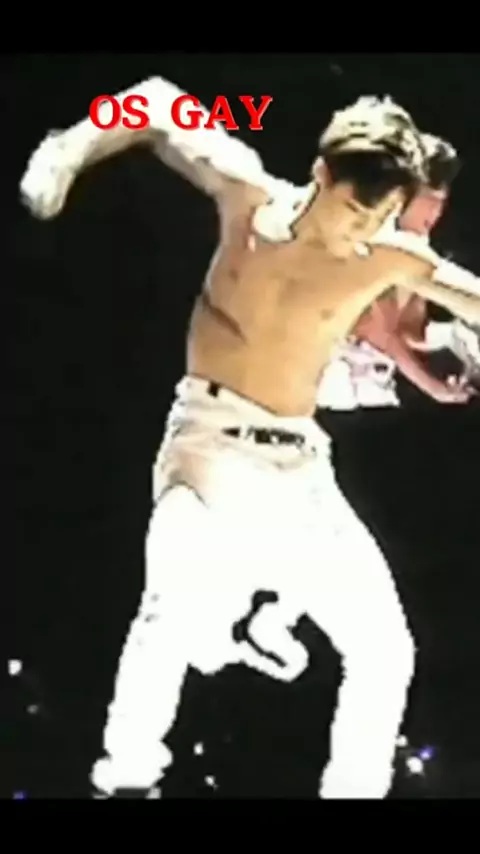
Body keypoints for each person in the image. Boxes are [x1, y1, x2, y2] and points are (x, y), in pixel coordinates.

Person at [20, 75, 480, 800]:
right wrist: (71, 148)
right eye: (355, 210)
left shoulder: (389, 257)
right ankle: (127, 779)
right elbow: (156, 101)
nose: (363, 231)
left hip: (300, 468)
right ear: (321, 174)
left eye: (382, 217)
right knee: (170, 607)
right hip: (207, 448)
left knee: (386, 649)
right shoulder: (248, 199)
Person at [317, 133, 480, 411]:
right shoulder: (371, 239)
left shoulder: (419, 248)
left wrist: (455, 338)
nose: (436, 210)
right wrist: (431, 385)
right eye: (430, 197)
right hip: (320, 374)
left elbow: (409, 329)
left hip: (361, 389)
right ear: (402, 195)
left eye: (442, 200)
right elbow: (374, 330)